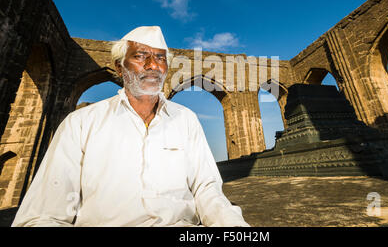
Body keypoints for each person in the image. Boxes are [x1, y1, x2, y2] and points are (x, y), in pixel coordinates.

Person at [12, 26, 249, 227]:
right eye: (140, 56)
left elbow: (206, 188)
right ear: (119, 67)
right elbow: (44, 214)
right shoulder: (82, 123)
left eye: (160, 58)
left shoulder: (186, 120)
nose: (152, 65)